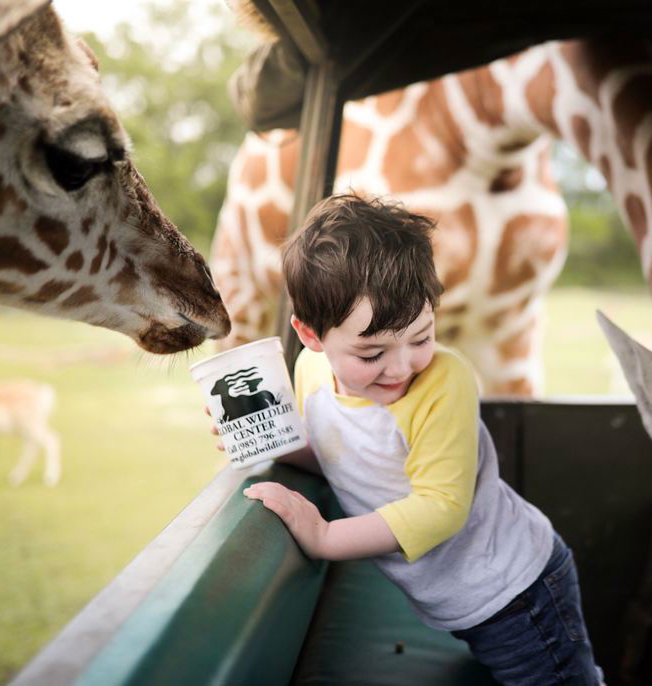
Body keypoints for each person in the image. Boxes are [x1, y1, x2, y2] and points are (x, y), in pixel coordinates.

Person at [233, 193, 603, 685]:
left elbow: (442, 506)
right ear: (311, 335)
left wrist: (323, 536)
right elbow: (341, 455)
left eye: (421, 337)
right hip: (458, 599)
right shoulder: (311, 373)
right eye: (372, 354)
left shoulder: (443, 384)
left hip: (517, 591)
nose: (403, 365)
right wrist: (275, 442)